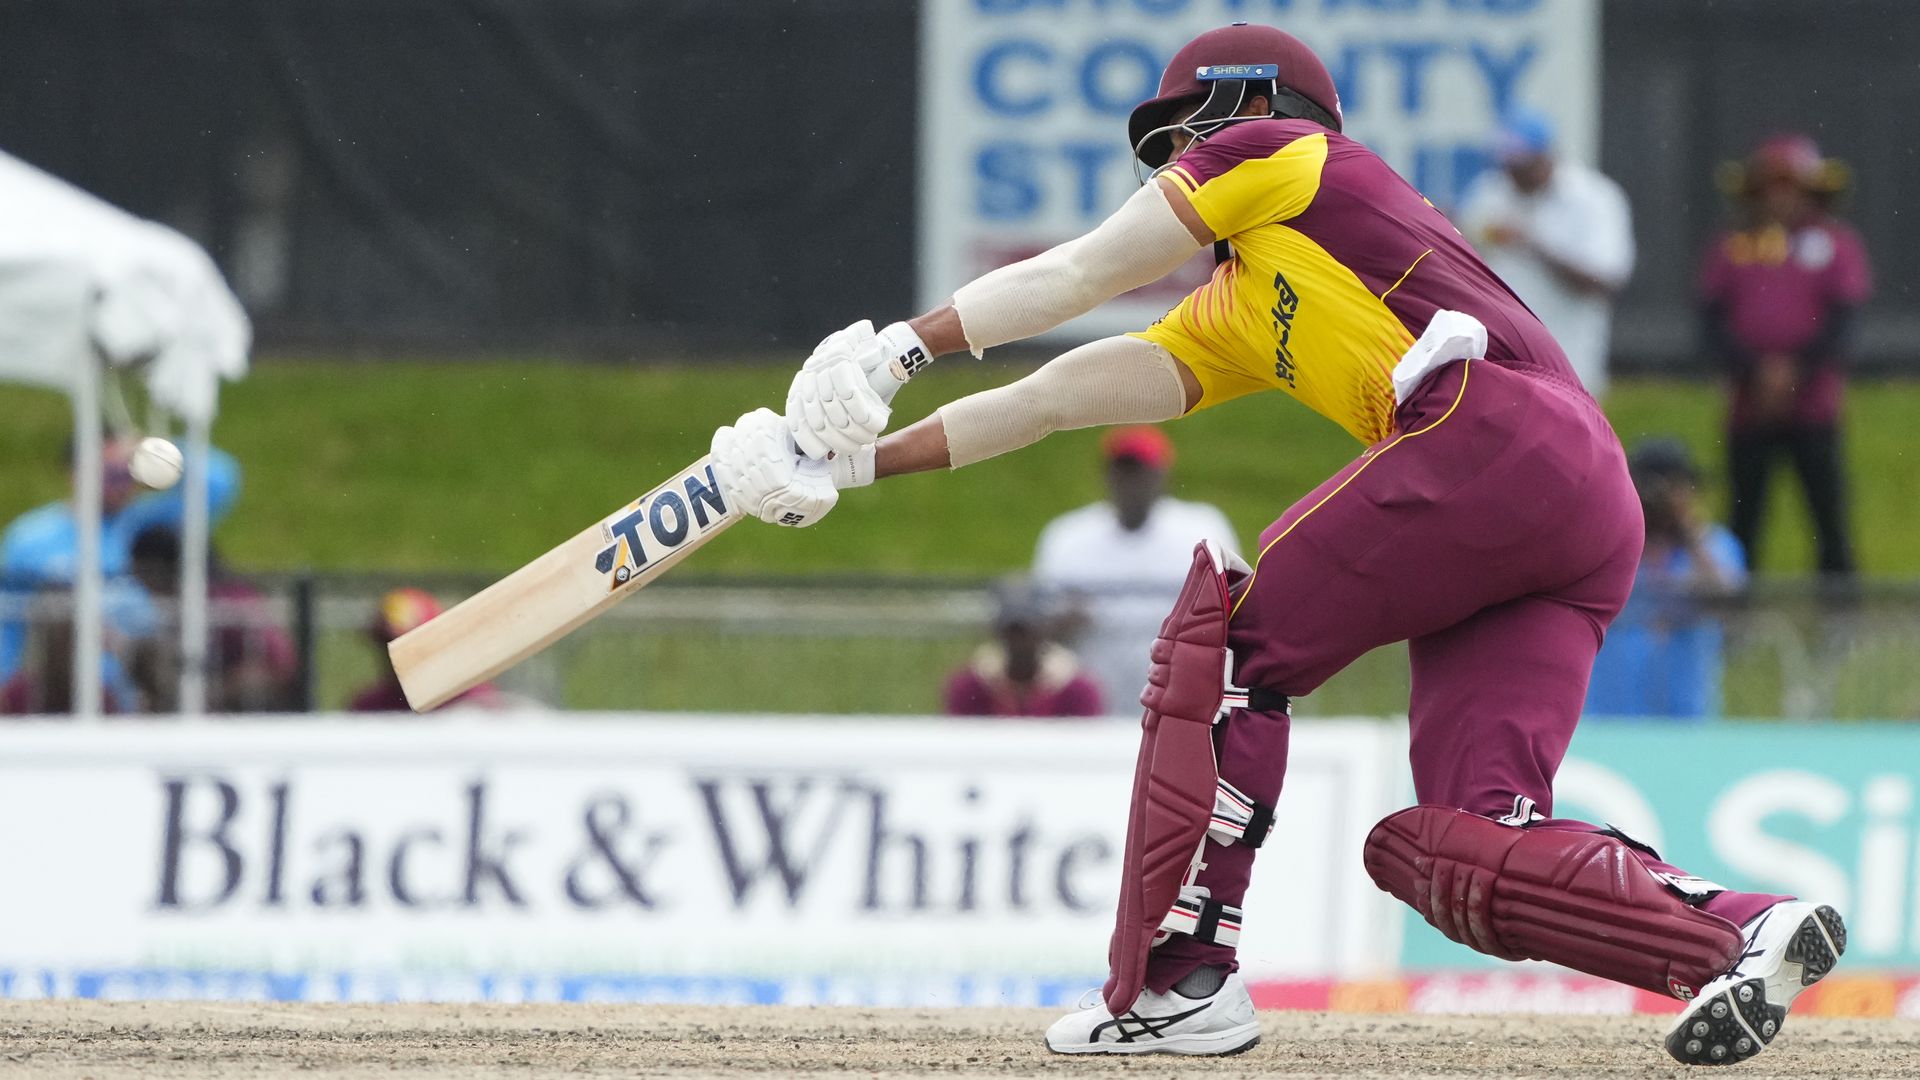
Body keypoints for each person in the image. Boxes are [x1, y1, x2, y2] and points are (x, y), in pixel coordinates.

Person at [709, 23, 1844, 1064]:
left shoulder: (1286, 150)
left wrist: (898, 349)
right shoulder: (1245, 300)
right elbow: (1053, 398)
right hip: (1575, 510)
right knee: (1456, 843)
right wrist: (855, 466)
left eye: (1175, 138)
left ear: (1251, 102)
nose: (1166, 165)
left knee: (1230, 652)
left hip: (1499, 437)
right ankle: (1742, 933)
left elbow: (1075, 275)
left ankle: (1180, 981)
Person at [1702, 133, 1870, 583]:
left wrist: (1793, 371)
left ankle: (1840, 616)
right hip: (1748, 403)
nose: (1780, 198)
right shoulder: (1734, 244)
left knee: (1828, 513)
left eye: (1790, 186)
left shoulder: (1834, 243)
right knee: (1744, 515)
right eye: (1771, 187)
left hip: (1813, 403)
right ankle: (1736, 617)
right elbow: (1712, 317)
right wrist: (1755, 371)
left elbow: (1843, 319)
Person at [0, 436, 241, 686]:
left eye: (127, 473)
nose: (119, 483)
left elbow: (218, 483)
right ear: (75, 472)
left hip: (146, 684)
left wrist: (155, 449)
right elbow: (8, 623)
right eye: (109, 472)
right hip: (65, 689)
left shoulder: (145, 523)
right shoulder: (31, 539)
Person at [1032, 426, 1238, 707]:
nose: (1131, 482)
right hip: (1093, 695)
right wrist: (1065, 619)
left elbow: (1234, 610)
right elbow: (1039, 629)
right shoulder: (1068, 537)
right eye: (1123, 471)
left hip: (1181, 694)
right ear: (1107, 475)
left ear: (1162, 475)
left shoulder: (1201, 529)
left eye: (1139, 472)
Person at [1455, 106, 1634, 399]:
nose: (1511, 173)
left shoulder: (1594, 199)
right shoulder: (1490, 193)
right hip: (1500, 361)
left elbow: (1604, 279)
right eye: (1506, 163)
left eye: (1520, 165)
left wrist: (1533, 245)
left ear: (1544, 157)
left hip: (1569, 360)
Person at [1585, 440, 1747, 720]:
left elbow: (1729, 597)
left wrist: (1687, 531)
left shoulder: (1716, 544)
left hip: (1687, 721)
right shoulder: (1604, 543)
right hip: (1606, 722)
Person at [127, 527, 297, 713]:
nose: (141, 584)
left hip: (257, 700)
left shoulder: (227, 603)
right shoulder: (181, 605)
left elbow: (275, 666)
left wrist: (208, 695)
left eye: (141, 574)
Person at [944, 582, 1104, 718]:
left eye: (1027, 632)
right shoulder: (971, 687)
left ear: (1045, 631)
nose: (1019, 642)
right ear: (998, 633)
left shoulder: (1076, 690)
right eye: (1012, 632)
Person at [348, 587, 500, 712]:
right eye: (386, 645)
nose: (395, 658)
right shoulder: (371, 709)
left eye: (413, 649)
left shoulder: (477, 706)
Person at [0, 588, 128, 715]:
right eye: (53, 634)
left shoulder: (97, 696)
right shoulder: (16, 692)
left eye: (63, 635)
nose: (58, 642)